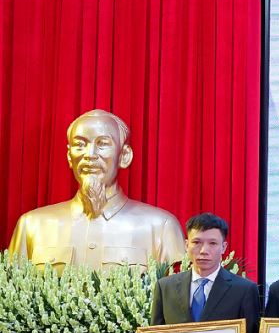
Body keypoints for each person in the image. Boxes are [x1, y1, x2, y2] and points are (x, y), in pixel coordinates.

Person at [9, 108, 185, 267]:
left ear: (124, 156)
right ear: (69, 156)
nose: (90, 155)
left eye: (102, 144)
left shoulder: (161, 227)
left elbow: (178, 289)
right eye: (80, 145)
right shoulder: (32, 225)